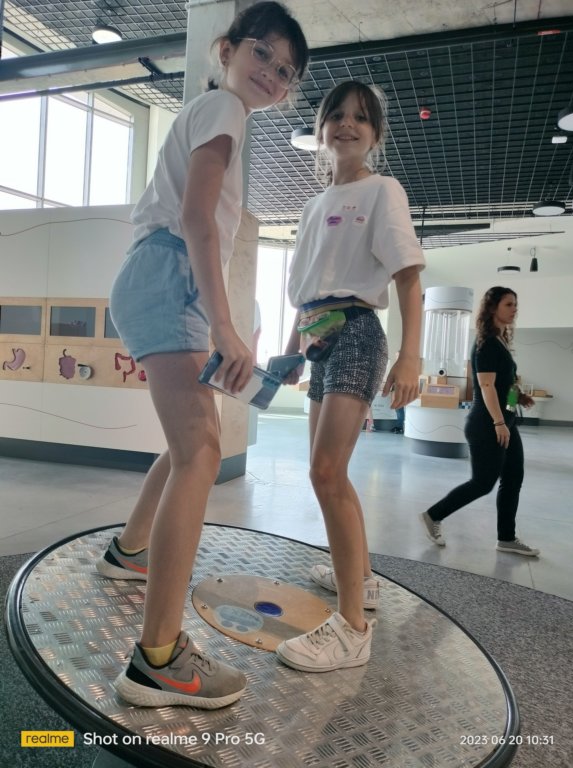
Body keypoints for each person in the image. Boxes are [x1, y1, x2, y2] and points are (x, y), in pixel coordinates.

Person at [96, 2, 308, 708]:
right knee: (202, 452)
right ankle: (157, 660)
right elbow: (195, 218)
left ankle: (129, 551)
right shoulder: (223, 110)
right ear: (227, 50)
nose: (272, 73)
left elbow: (195, 220)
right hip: (170, 273)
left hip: (160, 274)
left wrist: (219, 320)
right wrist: (225, 325)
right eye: (262, 53)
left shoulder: (216, 113)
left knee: (194, 440)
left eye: (286, 70)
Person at [275, 81, 425, 672]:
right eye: (336, 115)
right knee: (328, 474)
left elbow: (408, 277)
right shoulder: (313, 206)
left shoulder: (383, 189)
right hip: (318, 341)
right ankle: (361, 579)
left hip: (360, 332)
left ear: (375, 133)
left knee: (325, 472)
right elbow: (307, 293)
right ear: (321, 130)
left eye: (360, 118)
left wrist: (411, 357)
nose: (346, 125)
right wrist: (289, 352)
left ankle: (352, 630)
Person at [420, 286, 539, 556]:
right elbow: (486, 386)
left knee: (513, 477)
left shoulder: (501, 340)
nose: (515, 309)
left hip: (505, 421)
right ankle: (433, 515)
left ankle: (506, 538)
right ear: (493, 308)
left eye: (515, 304)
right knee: (483, 482)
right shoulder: (486, 343)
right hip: (487, 425)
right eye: (509, 304)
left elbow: (505, 383)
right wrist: (498, 422)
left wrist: (518, 397)